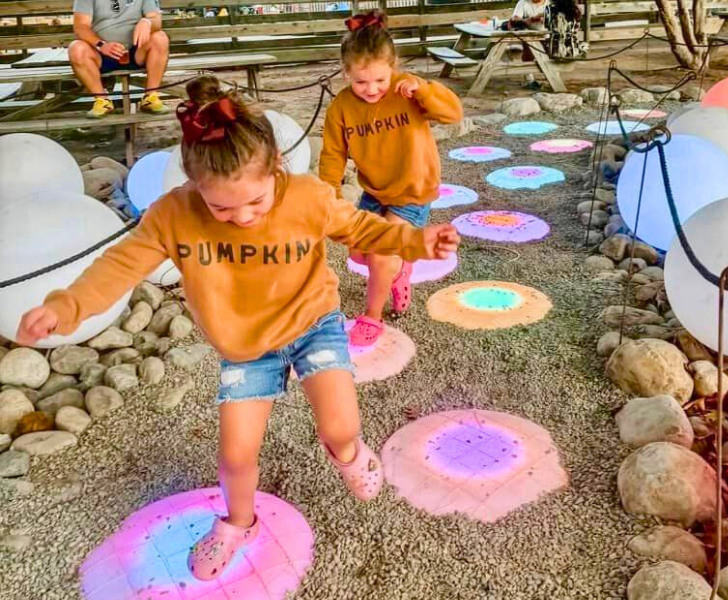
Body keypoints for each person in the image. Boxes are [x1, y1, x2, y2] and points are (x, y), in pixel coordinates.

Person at [15, 76, 460, 581]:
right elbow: (120, 265)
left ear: (277, 168)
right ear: (192, 183)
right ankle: (238, 523)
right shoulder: (173, 214)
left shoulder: (307, 196)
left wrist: (417, 241)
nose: (242, 216)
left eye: (256, 201)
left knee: (339, 429)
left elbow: (362, 227)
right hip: (246, 348)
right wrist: (68, 306)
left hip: (312, 323)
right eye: (221, 207)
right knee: (235, 455)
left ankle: (352, 454)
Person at [319, 10, 463, 347]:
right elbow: (333, 155)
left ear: (393, 66)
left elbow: (453, 113)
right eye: (360, 82)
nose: (371, 89)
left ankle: (373, 316)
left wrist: (424, 91)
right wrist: (329, 196)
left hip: (413, 191)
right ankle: (399, 269)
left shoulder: (408, 88)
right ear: (346, 72)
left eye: (380, 80)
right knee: (359, 252)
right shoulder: (341, 107)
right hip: (375, 192)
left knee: (381, 253)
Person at [69, 0, 170, 118]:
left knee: (160, 38)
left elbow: (156, 20)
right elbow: (81, 27)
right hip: (101, 52)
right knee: (76, 48)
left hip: (136, 50)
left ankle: (150, 97)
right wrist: (101, 45)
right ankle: (102, 101)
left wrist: (147, 22)